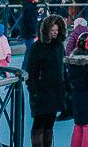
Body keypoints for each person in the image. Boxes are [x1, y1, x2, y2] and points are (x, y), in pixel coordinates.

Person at [24, 15, 66, 147]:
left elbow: (63, 69)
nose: (55, 32)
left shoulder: (59, 46)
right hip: (41, 91)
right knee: (39, 123)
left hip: (55, 91)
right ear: (46, 30)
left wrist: (67, 88)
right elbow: (31, 72)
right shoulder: (37, 48)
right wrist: (34, 92)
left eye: (57, 30)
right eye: (52, 30)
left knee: (50, 122)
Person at [21, 0, 42, 64]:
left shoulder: (29, 5)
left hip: (27, 31)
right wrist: (34, 31)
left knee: (30, 50)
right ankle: (25, 68)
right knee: (30, 51)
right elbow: (31, 20)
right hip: (29, 32)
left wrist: (37, 13)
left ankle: (26, 67)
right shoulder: (31, 6)